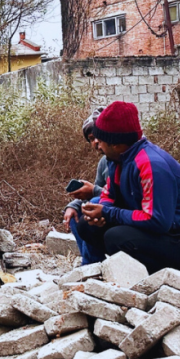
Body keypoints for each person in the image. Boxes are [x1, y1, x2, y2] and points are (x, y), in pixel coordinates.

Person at [76, 101, 180, 273]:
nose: (98, 146)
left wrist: (108, 213)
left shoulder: (151, 165)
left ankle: (159, 277)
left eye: (101, 141)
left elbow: (156, 221)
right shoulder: (117, 160)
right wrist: (102, 212)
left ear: (116, 144)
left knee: (115, 238)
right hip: (160, 234)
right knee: (88, 226)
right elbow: (109, 195)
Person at [63, 108, 109, 265]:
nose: (96, 141)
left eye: (98, 135)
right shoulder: (104, 163)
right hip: (108, 210)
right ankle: (91, 264)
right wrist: (72, 206)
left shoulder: (124, 159)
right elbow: (99, 190)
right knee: (76, 213)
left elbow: (120, 195)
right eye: (91, 138)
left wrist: (93, 192)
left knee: (92, 205)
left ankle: (89, 267)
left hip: (123, 213)